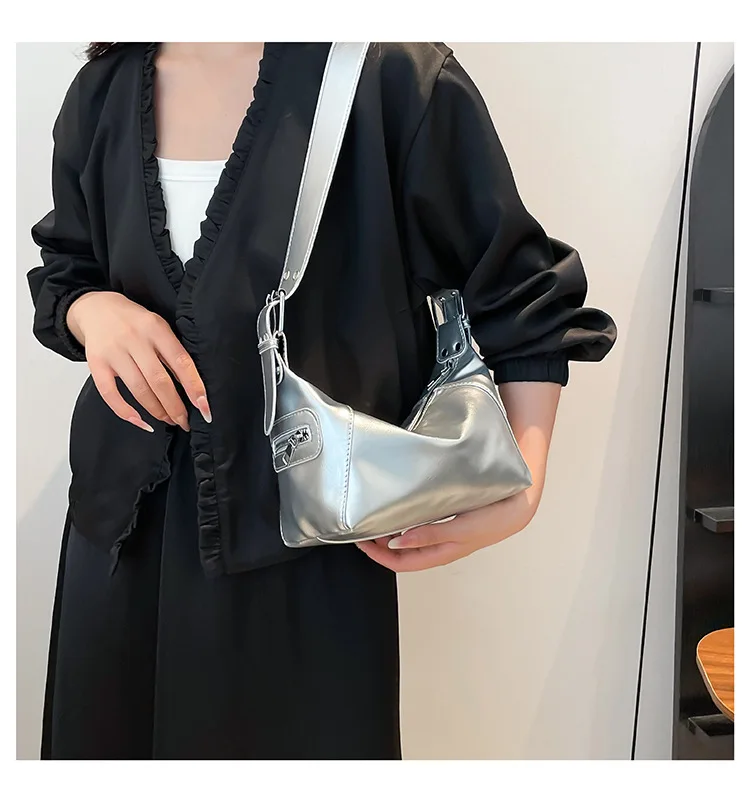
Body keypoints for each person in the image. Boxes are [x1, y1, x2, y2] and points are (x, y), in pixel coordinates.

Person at [28, 41, 616, 760]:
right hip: (118, 538)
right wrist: (92, 311)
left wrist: (523, 485)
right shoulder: (103, 90)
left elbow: (519, 291)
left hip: (306, 552)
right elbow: (67, 265)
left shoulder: (388, 75)